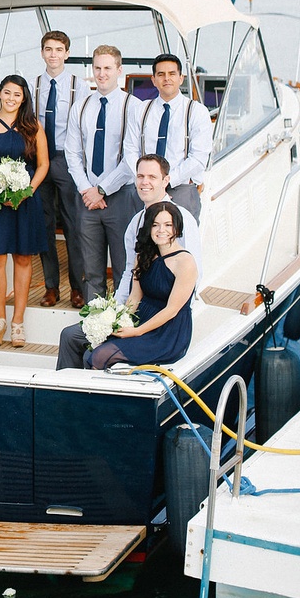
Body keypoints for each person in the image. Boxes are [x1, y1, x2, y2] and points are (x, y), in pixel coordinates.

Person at [57, 201, 197, 370]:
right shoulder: (143, 256)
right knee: (69, 336)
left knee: (97, 356)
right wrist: (117, 322)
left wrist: (136, 332)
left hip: (166, 333)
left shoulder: (185, 262)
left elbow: (172, 310)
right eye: (155, 225)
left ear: (177, 228)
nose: (161, 230)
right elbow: (135, 297)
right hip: (139, 319)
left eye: (168, 225)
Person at [0, 75, 49, 347]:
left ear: (24, 97)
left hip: (25, 201)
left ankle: (18, 322)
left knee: (24, 258)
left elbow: (43, 165)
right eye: (6, 92)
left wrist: (26, 191)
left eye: (17, 94)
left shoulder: (34, 126)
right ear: (0, 94)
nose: (11, 98)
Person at [64, 45, 143, 301]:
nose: (102, 73)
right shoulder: (81, 106)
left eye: (108, 68)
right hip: (87, 198)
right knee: (92, 270)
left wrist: (102, 190)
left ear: (119, 70)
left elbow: (132, 159)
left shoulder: (134, 107)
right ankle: (94, 326)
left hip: (121, 197)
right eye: (97, 68)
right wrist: (87, 189)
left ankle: (123, 324)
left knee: (124, 266)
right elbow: (72, 153)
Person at [32, 30, 91, 309]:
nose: (53, 54)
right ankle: (51, 287)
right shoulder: (34, 86)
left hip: (67, 161)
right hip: (41, 159)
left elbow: (85, 126)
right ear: (42, 52)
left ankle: (77, 289)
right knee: (44, 227)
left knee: (73, 227)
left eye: (58, 49)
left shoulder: (78, 85)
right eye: (48, 49)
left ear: (67, 53)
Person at [123, 53, 213, 220]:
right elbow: (129, 150)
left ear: (181, 78)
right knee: (144, 242)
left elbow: (199, 158)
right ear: (154, 80)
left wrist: (166, 182)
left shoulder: (197, 111)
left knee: (180, 243)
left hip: (181, 189)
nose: (167, 79)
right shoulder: (140, 110)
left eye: (172, 74)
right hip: (145, 190)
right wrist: (147, 181)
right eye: (161, 74)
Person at [114, 153, 202, 302]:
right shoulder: (136, 222)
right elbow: (130, 270)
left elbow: (195, 273)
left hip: (171, 310)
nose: (144, 182)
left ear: (165, 181)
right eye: (140, 176)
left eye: (152, 177)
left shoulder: (183, 219)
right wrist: (117, 309)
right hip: (141, 306)